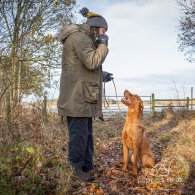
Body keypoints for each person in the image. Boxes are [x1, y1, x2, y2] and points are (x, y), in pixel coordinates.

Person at [57, 7, 113, 181]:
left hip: (82, 96)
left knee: (86, 135)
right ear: (94, 27)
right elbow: (91, 61)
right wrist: (103, 44)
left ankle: (87, 166)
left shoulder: (83, 38)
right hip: (77, 97)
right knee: (79, 136)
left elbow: (82, 67)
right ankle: (76, 170)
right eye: (102, 31)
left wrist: (101, 76)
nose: (102, 34)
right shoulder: (80, 38)